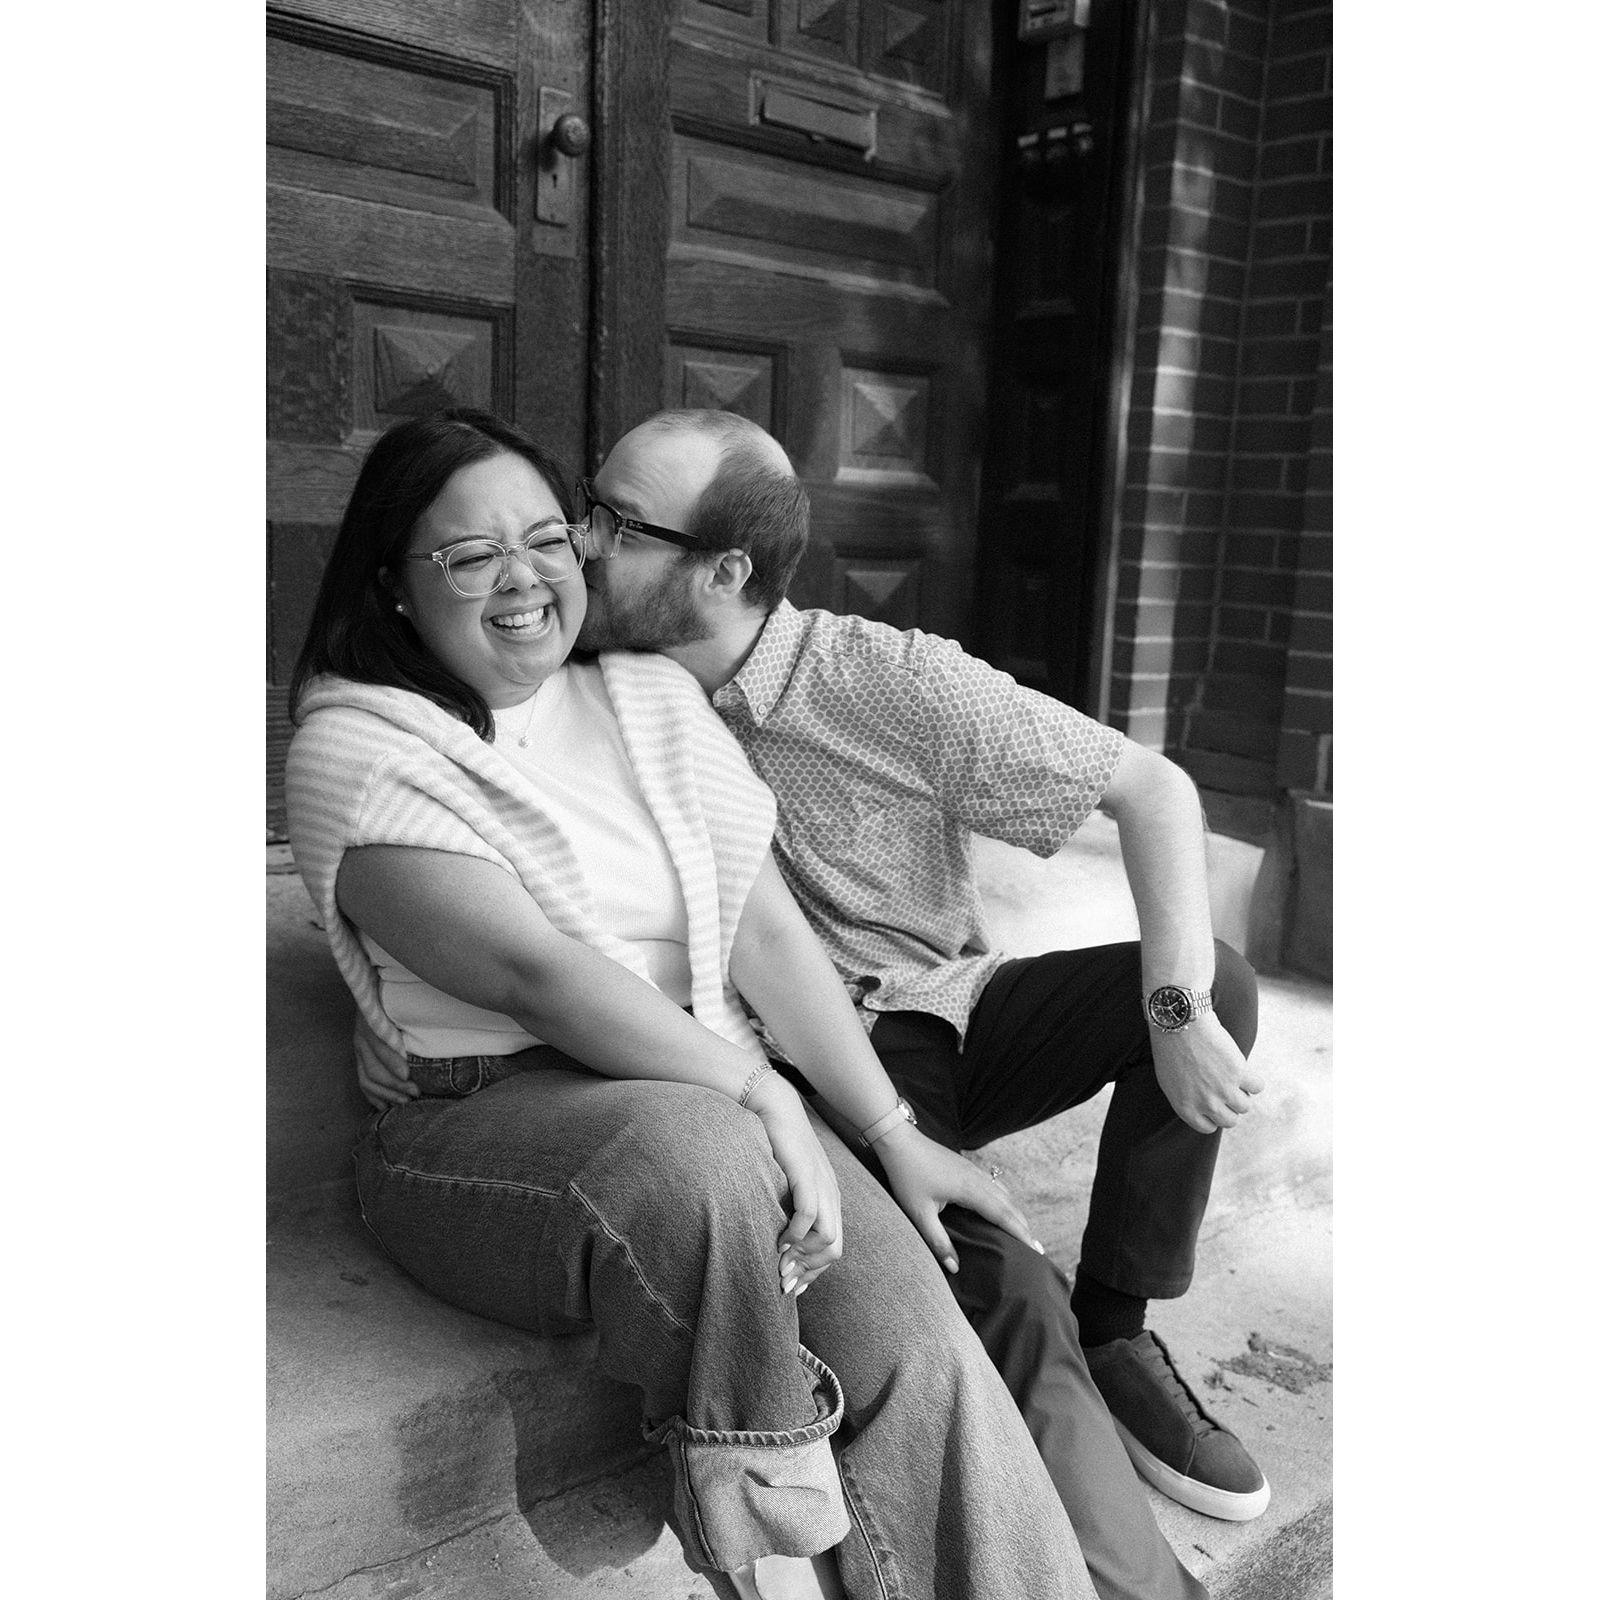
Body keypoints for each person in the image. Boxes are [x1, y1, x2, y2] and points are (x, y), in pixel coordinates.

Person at [358, 407, 1268, 1599]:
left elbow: (1153, 789)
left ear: (723, 571)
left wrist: (1175, 1008)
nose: (576, 543)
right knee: (997, 1278)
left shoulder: (881, 678)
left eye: (615, 523)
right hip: (769, 1059)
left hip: (931, 1013)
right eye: (586, 507)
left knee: (1210, 984)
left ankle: (1119, 1327)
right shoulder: (558, 676)